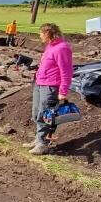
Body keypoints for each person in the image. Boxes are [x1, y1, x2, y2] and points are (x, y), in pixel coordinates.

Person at [25, 23, 73, 155]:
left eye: (41, 33)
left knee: (46, 115)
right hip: (40, 83)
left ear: (48, 33)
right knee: (36, 112)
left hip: (51, 86)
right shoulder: (50, 46)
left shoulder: (62, 48)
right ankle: (38, 139)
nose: (40, 35)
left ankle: (43, 144)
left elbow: (66, 71)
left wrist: (63, 91)